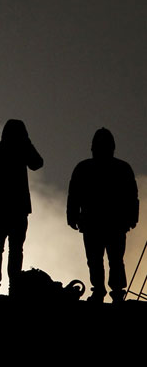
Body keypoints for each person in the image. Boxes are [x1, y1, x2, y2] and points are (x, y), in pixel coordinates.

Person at [67, 128, 139, 303]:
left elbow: (74, 195)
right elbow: (132, 196)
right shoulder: (122, 168)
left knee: (100, 260)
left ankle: (103, 292)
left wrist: (72, 216)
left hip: (99, 223)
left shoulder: (84, 168)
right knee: (109, 260)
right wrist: (131, 218)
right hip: (110, 223)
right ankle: (112, 292)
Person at [0, 119, 43, 296]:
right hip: (17, 208)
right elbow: (37, 163)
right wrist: (27, 144)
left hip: (0, 208)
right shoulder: (20, 152)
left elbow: (37, 163)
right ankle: (12, 287)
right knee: (14, 249)